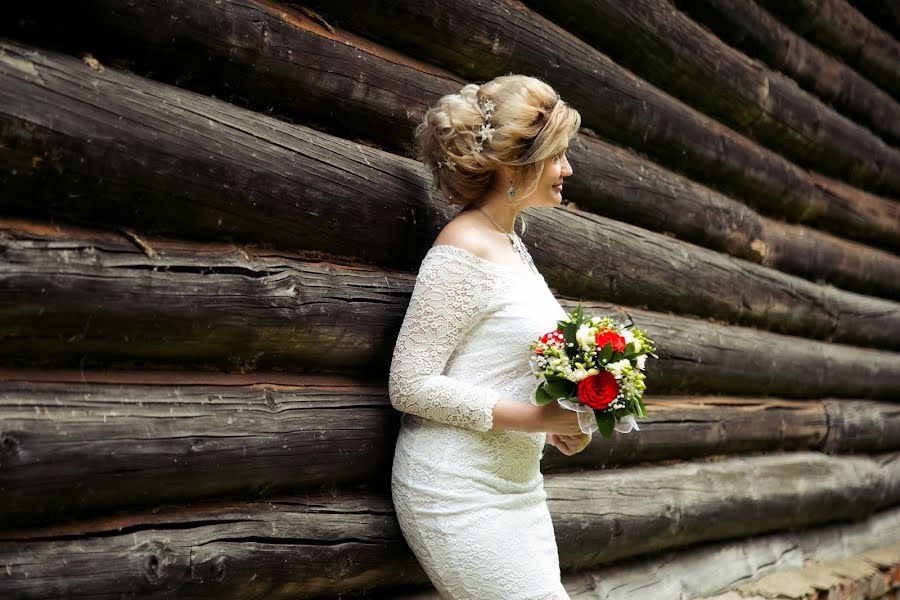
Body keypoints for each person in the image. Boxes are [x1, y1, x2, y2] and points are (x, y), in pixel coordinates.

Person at [389, 75, 589, 599]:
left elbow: (488, 364)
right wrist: (535, 417)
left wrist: (549, 429)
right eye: (557, 156)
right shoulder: (462, 247)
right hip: (455, 490)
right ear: (513, 166)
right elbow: (409, 384)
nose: (567, 169)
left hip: (517, 485)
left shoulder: (512, 245)